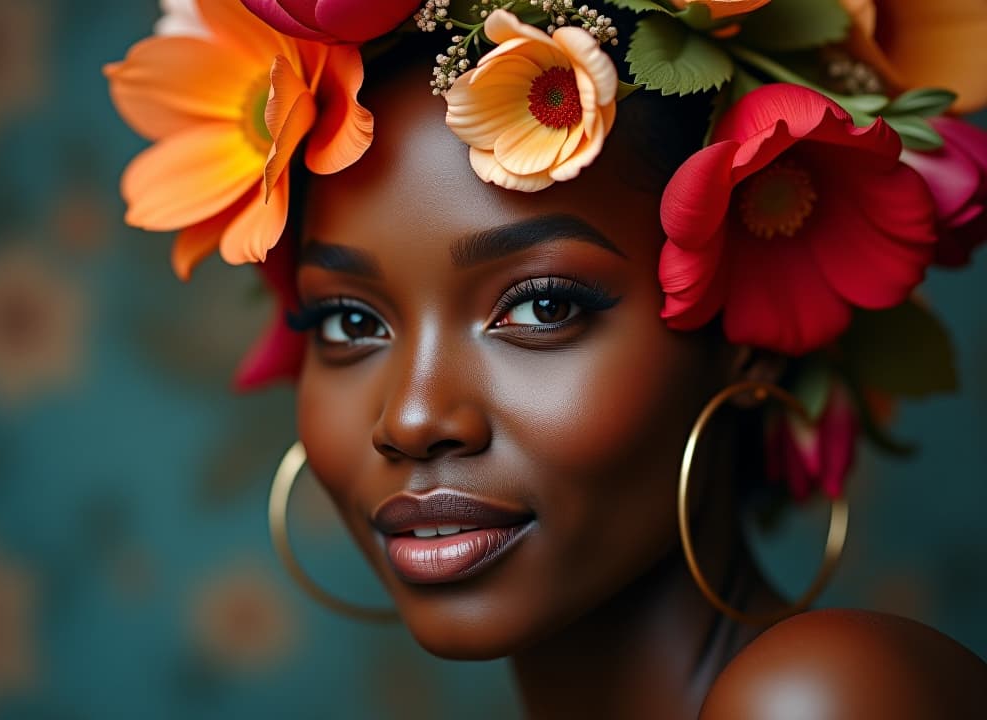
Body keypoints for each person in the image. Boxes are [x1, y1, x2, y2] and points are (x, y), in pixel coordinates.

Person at [106, 0, 987, 717]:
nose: (411, 419)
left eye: (541, 306)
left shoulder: (822, 697)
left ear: (744, 333)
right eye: (347, 322)